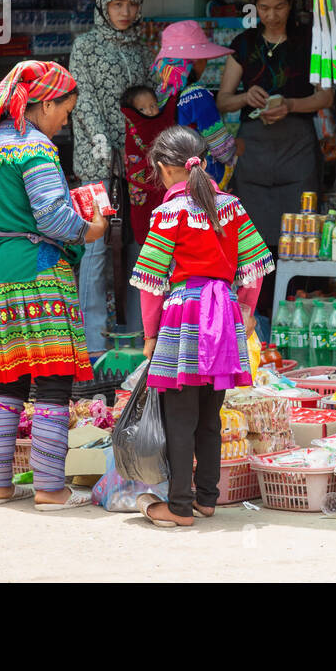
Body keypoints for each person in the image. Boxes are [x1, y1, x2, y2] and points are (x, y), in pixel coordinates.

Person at [0, 60, 107, 511]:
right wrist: (91, 228)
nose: (65, 121)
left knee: (8, 380)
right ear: (44, 103)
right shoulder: (34, 147)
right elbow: (51, 215)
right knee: (52, 380)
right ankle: (50, 488)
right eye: (64, 110)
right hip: (37, 269)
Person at [129, 126, 274, 527]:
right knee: (210, 414)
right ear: (205, 163)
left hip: (183, 315)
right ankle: (207, 498)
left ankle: (178, 507)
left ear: (163, 169)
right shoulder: (232, 208)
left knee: (180, 416)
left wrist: (150, 335)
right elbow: (255, 270)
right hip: (224, 314)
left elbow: (150, 282)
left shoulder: (169, 213)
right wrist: (243, 314)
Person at [216, 0, 334, 278]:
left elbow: (326, 98)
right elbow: (223, 100)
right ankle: (259, 315)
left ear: (291, 3)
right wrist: (245, 98)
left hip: (297, 152)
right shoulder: (242, 45)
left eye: (279, 6)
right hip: (253, 156)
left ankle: (297, 302)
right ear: (255, 5)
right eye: (264, 7)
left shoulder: (309, 43)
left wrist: (291, 105)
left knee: (300, 238)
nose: (272, 15)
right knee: (253, 245)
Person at [70, 0, 157, 355]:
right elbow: (82, 101)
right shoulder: (84, 47)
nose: (125, 11)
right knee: (96, 246)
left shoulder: (142, 49)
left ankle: (141, 336)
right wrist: (105, 145)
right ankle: (94, 342)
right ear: (102, 6)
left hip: (140, 163)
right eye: (117, 3)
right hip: (95, 164)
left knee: (141, 245)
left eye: (131, 4)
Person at [150, 20, 238, 189]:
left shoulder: (159, 95)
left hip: (170, 180)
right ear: (197, 62)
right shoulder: (198, 96)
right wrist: (237, 148)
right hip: (200, 182)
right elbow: (221, 148)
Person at [120, 83, 178, 248]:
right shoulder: (136, 125)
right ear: (132, 111)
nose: (151, 111)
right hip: (143, 187)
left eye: (153, 105)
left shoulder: (160, 120)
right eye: (143, 109)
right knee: (145, 223)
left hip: (161, 185)